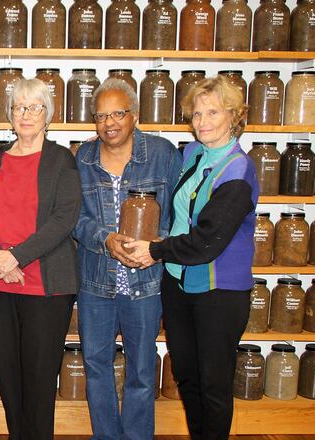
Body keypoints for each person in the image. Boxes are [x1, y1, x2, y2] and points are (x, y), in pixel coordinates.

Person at [126, 75, 258, 440]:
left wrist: (155, 249)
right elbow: (151, 155)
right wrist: (99, 143)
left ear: (234, 116)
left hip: (219, 292)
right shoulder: (192, 154)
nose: (203, 122)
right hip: (179, 285)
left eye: (212, 112)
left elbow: (206, 242)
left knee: (213, 385)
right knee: (187, 376)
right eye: (197, 114)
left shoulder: (238, 170)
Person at [0, 78, 81, 440]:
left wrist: (16, 257)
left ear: (48, 114)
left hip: (45, 288)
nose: (26, 114)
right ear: (10, 116)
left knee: (39, 378)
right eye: (19, 107)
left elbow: (65, 218)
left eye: (35, 107)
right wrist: (0, 262)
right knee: (9, 377)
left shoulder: (61, 159)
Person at [73, 78, 182, 440]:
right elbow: (75, 218)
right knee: (96, 366)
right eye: (101, 116)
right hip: (95, 284)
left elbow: (179, 215)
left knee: (140, 369)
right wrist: (105, 239)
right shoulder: (83, 158)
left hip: (147, 283)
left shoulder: (164, 154)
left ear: (134, 115)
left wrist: (157, 247)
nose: (109, 123)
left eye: (118, 113)